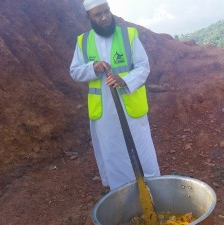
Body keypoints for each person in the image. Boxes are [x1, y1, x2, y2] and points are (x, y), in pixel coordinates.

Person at [69, 0, 160, 191]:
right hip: (104, 115)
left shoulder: (129, 35)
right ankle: (125, 203)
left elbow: (143, 66)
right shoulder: (83, 42)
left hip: (131, 109)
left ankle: (154, 197)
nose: (104, 17)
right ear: (89, 17)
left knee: (144, 157)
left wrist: (125, 80)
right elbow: (75, 72)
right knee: (114, 158)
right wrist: (92, 67)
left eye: (106, 12)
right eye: (98, 14)